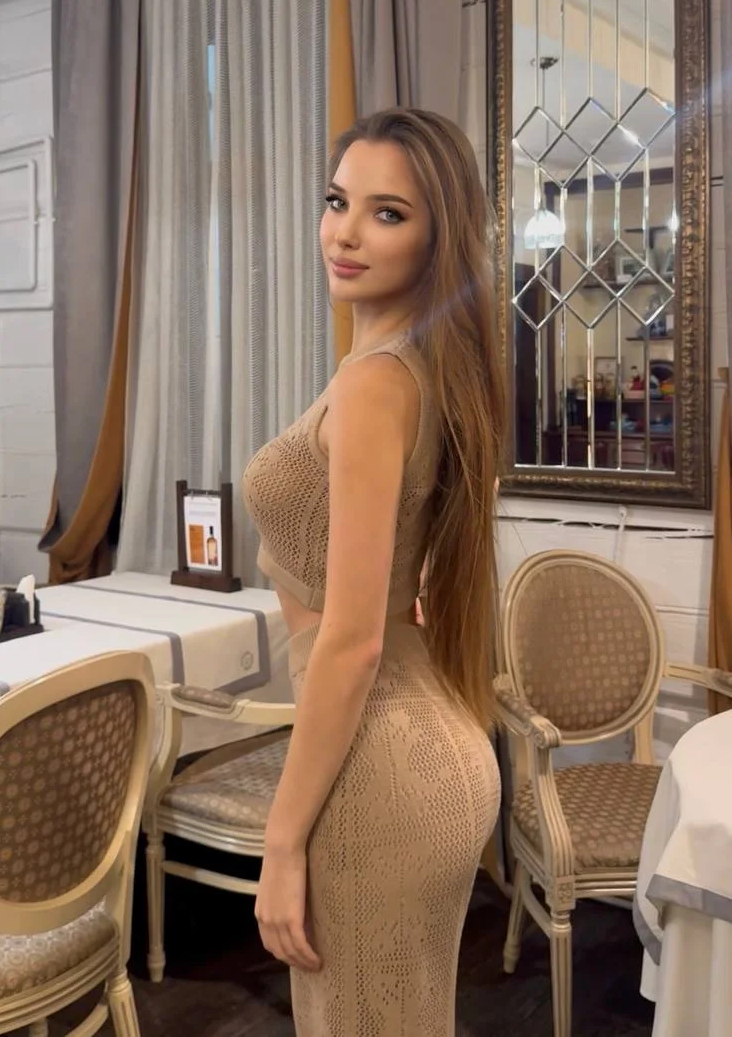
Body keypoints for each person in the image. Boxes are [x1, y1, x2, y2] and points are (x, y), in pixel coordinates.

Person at [242, 108, 505, 1036]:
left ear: (438, 238)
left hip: (381, 772)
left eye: (387, 213)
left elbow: (350, 644)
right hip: (438, 748)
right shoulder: (424, 368)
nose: (345, 232)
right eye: (337, 201)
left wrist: (281, 843)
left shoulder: (375, 382)